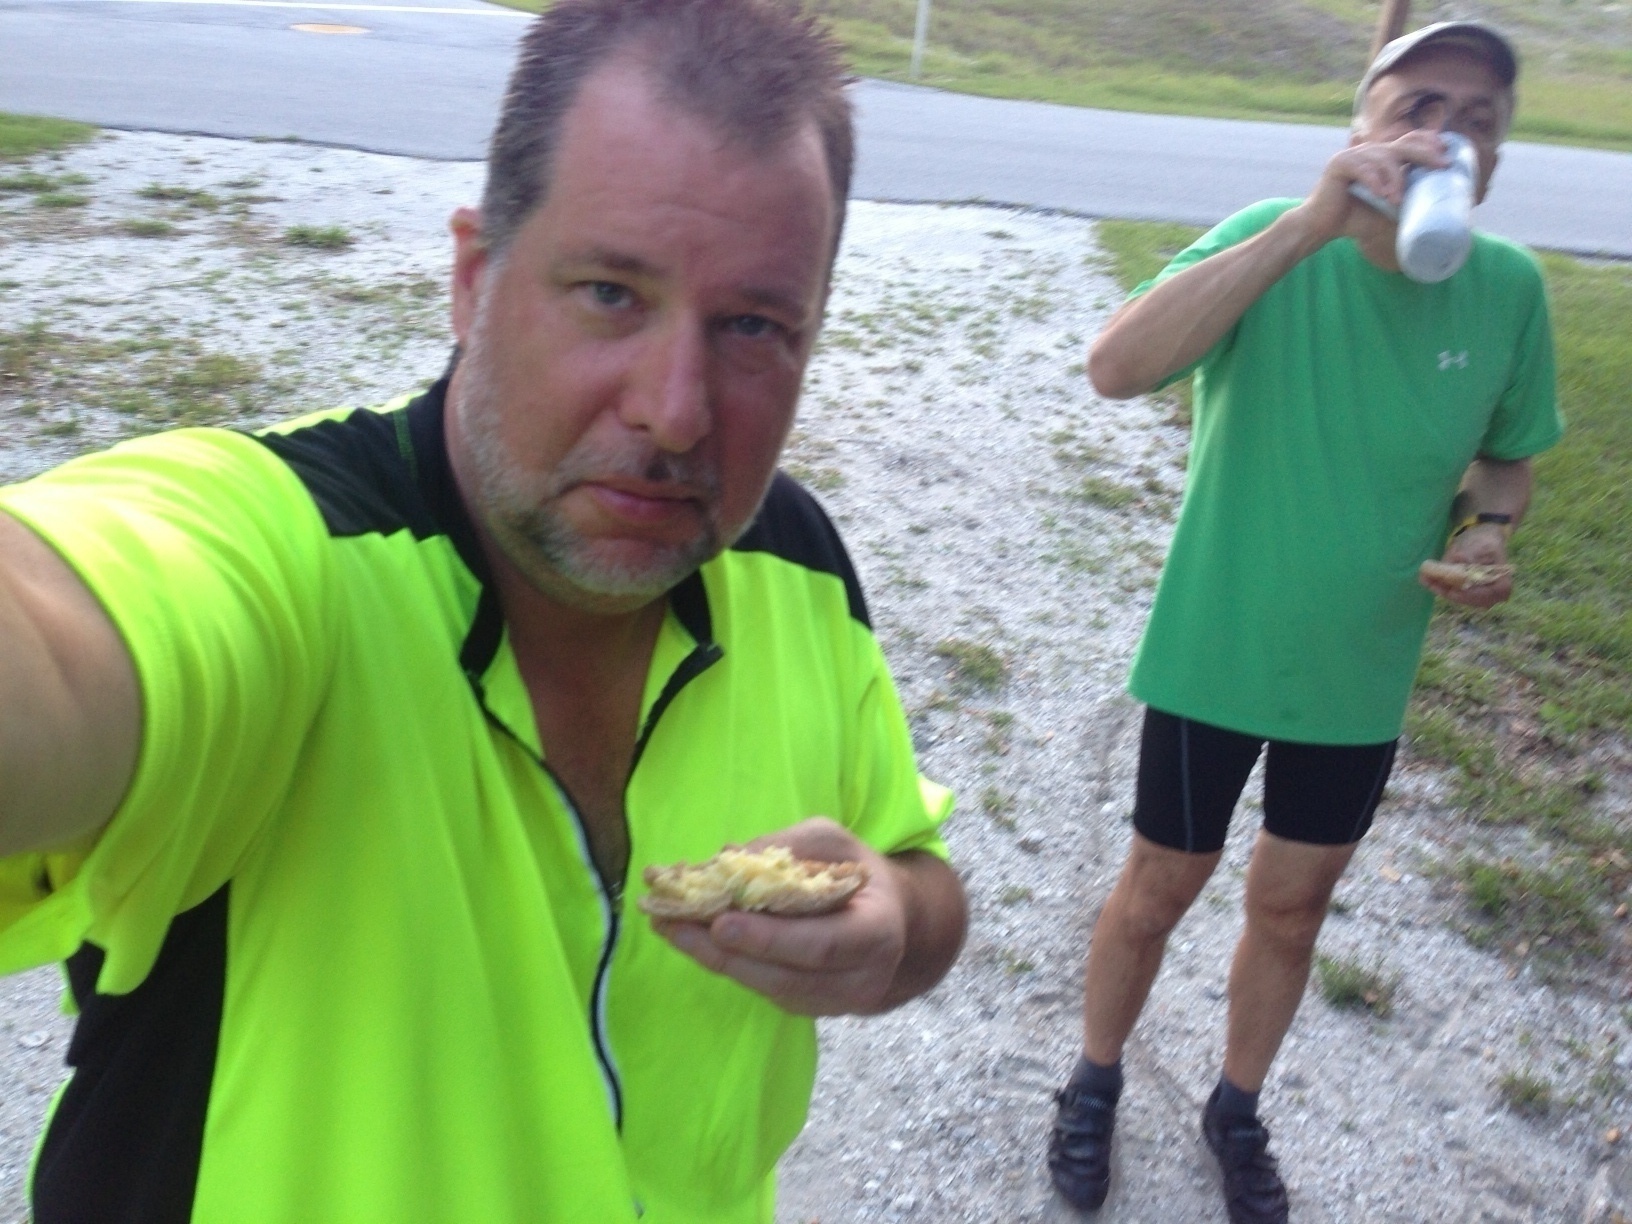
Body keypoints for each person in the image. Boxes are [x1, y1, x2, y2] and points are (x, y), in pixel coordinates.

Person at [0, 2, 968, 1220]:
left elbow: (916, 877)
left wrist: (892, 926)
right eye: (611, 292)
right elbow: (55, 648)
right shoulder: (293, 557)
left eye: (753, 326)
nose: (676, 410)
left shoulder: (792, 560)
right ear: (472, 279)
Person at [1047, 21, 1561, 1224]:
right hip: (1217, 646)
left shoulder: (1509, 290)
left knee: (1292, 905)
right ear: (1362, 123)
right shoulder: (1272, 238)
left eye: (1478, 120)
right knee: (1159, 885)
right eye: (1418, 104)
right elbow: (1116, 367)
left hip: (1360, 669)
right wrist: (1306, 226)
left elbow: (1507, 458)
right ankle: (1094, 1079)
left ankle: (1236, 1108)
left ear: (1496, 161)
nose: (1446, 133)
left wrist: (1489, 533)